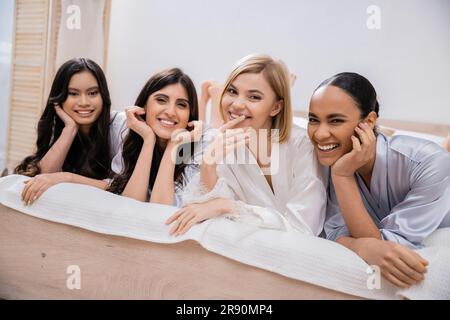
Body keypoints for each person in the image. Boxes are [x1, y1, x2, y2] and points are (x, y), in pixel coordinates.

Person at [307, 72, 450, 288]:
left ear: (369, 121)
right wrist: (342, 175)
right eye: (313, 120)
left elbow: (390, 249)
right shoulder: (327, 160)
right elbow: (335, 234)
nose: (320, 134)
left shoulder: (428, 162)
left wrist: (343, 176)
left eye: (336, 120)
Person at [166, 54, 326, 236]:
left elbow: (303, 227)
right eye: (232, 91)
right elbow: (201, 214)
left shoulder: (302, 144)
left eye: (254, 97)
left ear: (276, 107)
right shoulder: (222, 144)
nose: (237, 104)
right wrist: (208, 166)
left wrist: (227, 206)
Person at [15, 58, 126, 205]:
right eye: (73, 94)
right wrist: (70, 130)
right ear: (59, 98)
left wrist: (68, 177)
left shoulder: (121, 126)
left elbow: (123, 188)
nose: (84, 102)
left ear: (103, 95)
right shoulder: (61, 127)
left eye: (92, 93)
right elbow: (43, 178)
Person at [107, 68, 203, 206]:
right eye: (161, 100)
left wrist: (174, 145)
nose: (170, 112)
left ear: (190, 114)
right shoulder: (132, 134)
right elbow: (129, 205)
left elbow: (160, 210)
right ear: (144, 105)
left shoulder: (198, 152)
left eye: (181, 105)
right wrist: (148, 140)